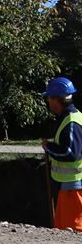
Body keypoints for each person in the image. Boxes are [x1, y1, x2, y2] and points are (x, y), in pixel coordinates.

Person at [41, 77, 82, 231]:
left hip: (73, 188)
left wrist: (48, 147)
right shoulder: (71, 118)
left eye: (49, 98)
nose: (48, 102)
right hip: (68, 187)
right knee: (64, 230)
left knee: (73, 230)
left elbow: (71, 154)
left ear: (56, 99)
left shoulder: (71, 122)